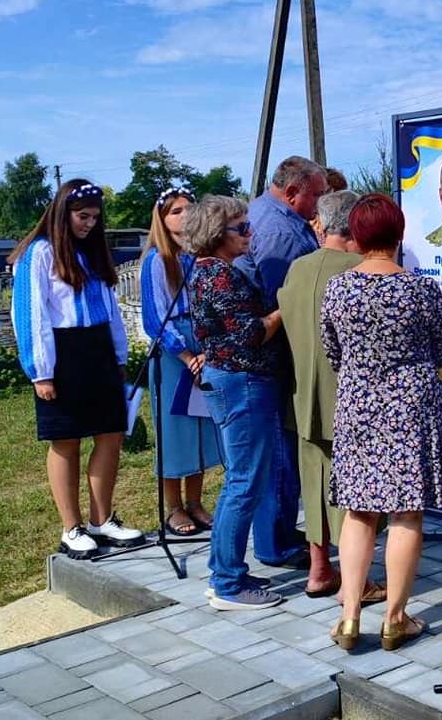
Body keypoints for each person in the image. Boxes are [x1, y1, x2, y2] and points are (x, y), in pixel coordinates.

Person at [321, 193, 442, 651]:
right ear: (399, 234)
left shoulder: (338, 289)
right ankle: (395, 618)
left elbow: (333, 351)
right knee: (406, 511)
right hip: (410, 408)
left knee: (358, 510)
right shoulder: (422, 290)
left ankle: (349, 616)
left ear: (356, 237)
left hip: (358, 406)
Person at [10, 179, 143, 560]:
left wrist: (118, 355)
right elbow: (30, 313)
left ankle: (103, 519)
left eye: (95, 218)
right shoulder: (38, 253)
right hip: (63, 353)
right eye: (83, 216)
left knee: (111, 434)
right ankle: (72, 527)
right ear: (62, 213)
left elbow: (111, 309)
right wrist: (41, 371)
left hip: (99, 349)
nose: (89, 224)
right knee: (66, 440)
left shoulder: (92, 253)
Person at [278, 190, 387, 604]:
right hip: (350, 399)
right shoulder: (361, 271)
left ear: (323, 223)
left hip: (302, 395)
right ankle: (357, 581)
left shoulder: (298, 268)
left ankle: (319, 569)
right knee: (356, 491)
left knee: (314, 485)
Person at [187, 195, 285, 611]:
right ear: (216, 234)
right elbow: (250, 334)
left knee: (241, 480)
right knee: (243, 483)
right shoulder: (219, 276)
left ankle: (226, 570)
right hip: (242, 382)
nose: (250, 233)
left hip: (234, 379)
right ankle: (227, 583)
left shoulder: (210, 271)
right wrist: (284, 308)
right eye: (241, 228)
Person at [235, 155, 329, 569]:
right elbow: (286, 297)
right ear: (292, 192)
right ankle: (276, 542)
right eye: (316, 195)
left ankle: (279, 533)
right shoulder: (278, 231)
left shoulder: (268, 213)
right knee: (279, 452)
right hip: (274, 355)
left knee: (278, 449)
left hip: (268, 355)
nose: (320, 204)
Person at [140, 186, 223, 536]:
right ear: (162, 219)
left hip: (203, 344)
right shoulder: (157, 260)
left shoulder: (197, 256)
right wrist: (186, 354)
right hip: (175, 353)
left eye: (189, 208)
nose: (184, 215)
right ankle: (173, 506)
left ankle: (195, 500)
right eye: (176, 211)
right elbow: (155, 318)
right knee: (175, 431)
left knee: (201, 424)